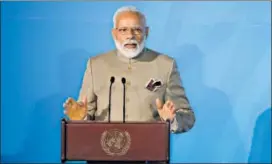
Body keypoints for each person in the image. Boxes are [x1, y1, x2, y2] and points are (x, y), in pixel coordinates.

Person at [63, 6, 195, 134]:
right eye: (123, 30)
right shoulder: (95, 65)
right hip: (103, 151)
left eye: (136, 29)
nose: (130, 35)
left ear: (146, 32)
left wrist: (171, 119)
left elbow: (187, 116)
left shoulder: (166, 65)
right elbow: (86, 112)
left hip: (148, 150)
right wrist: (81, 118)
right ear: (114, 34)